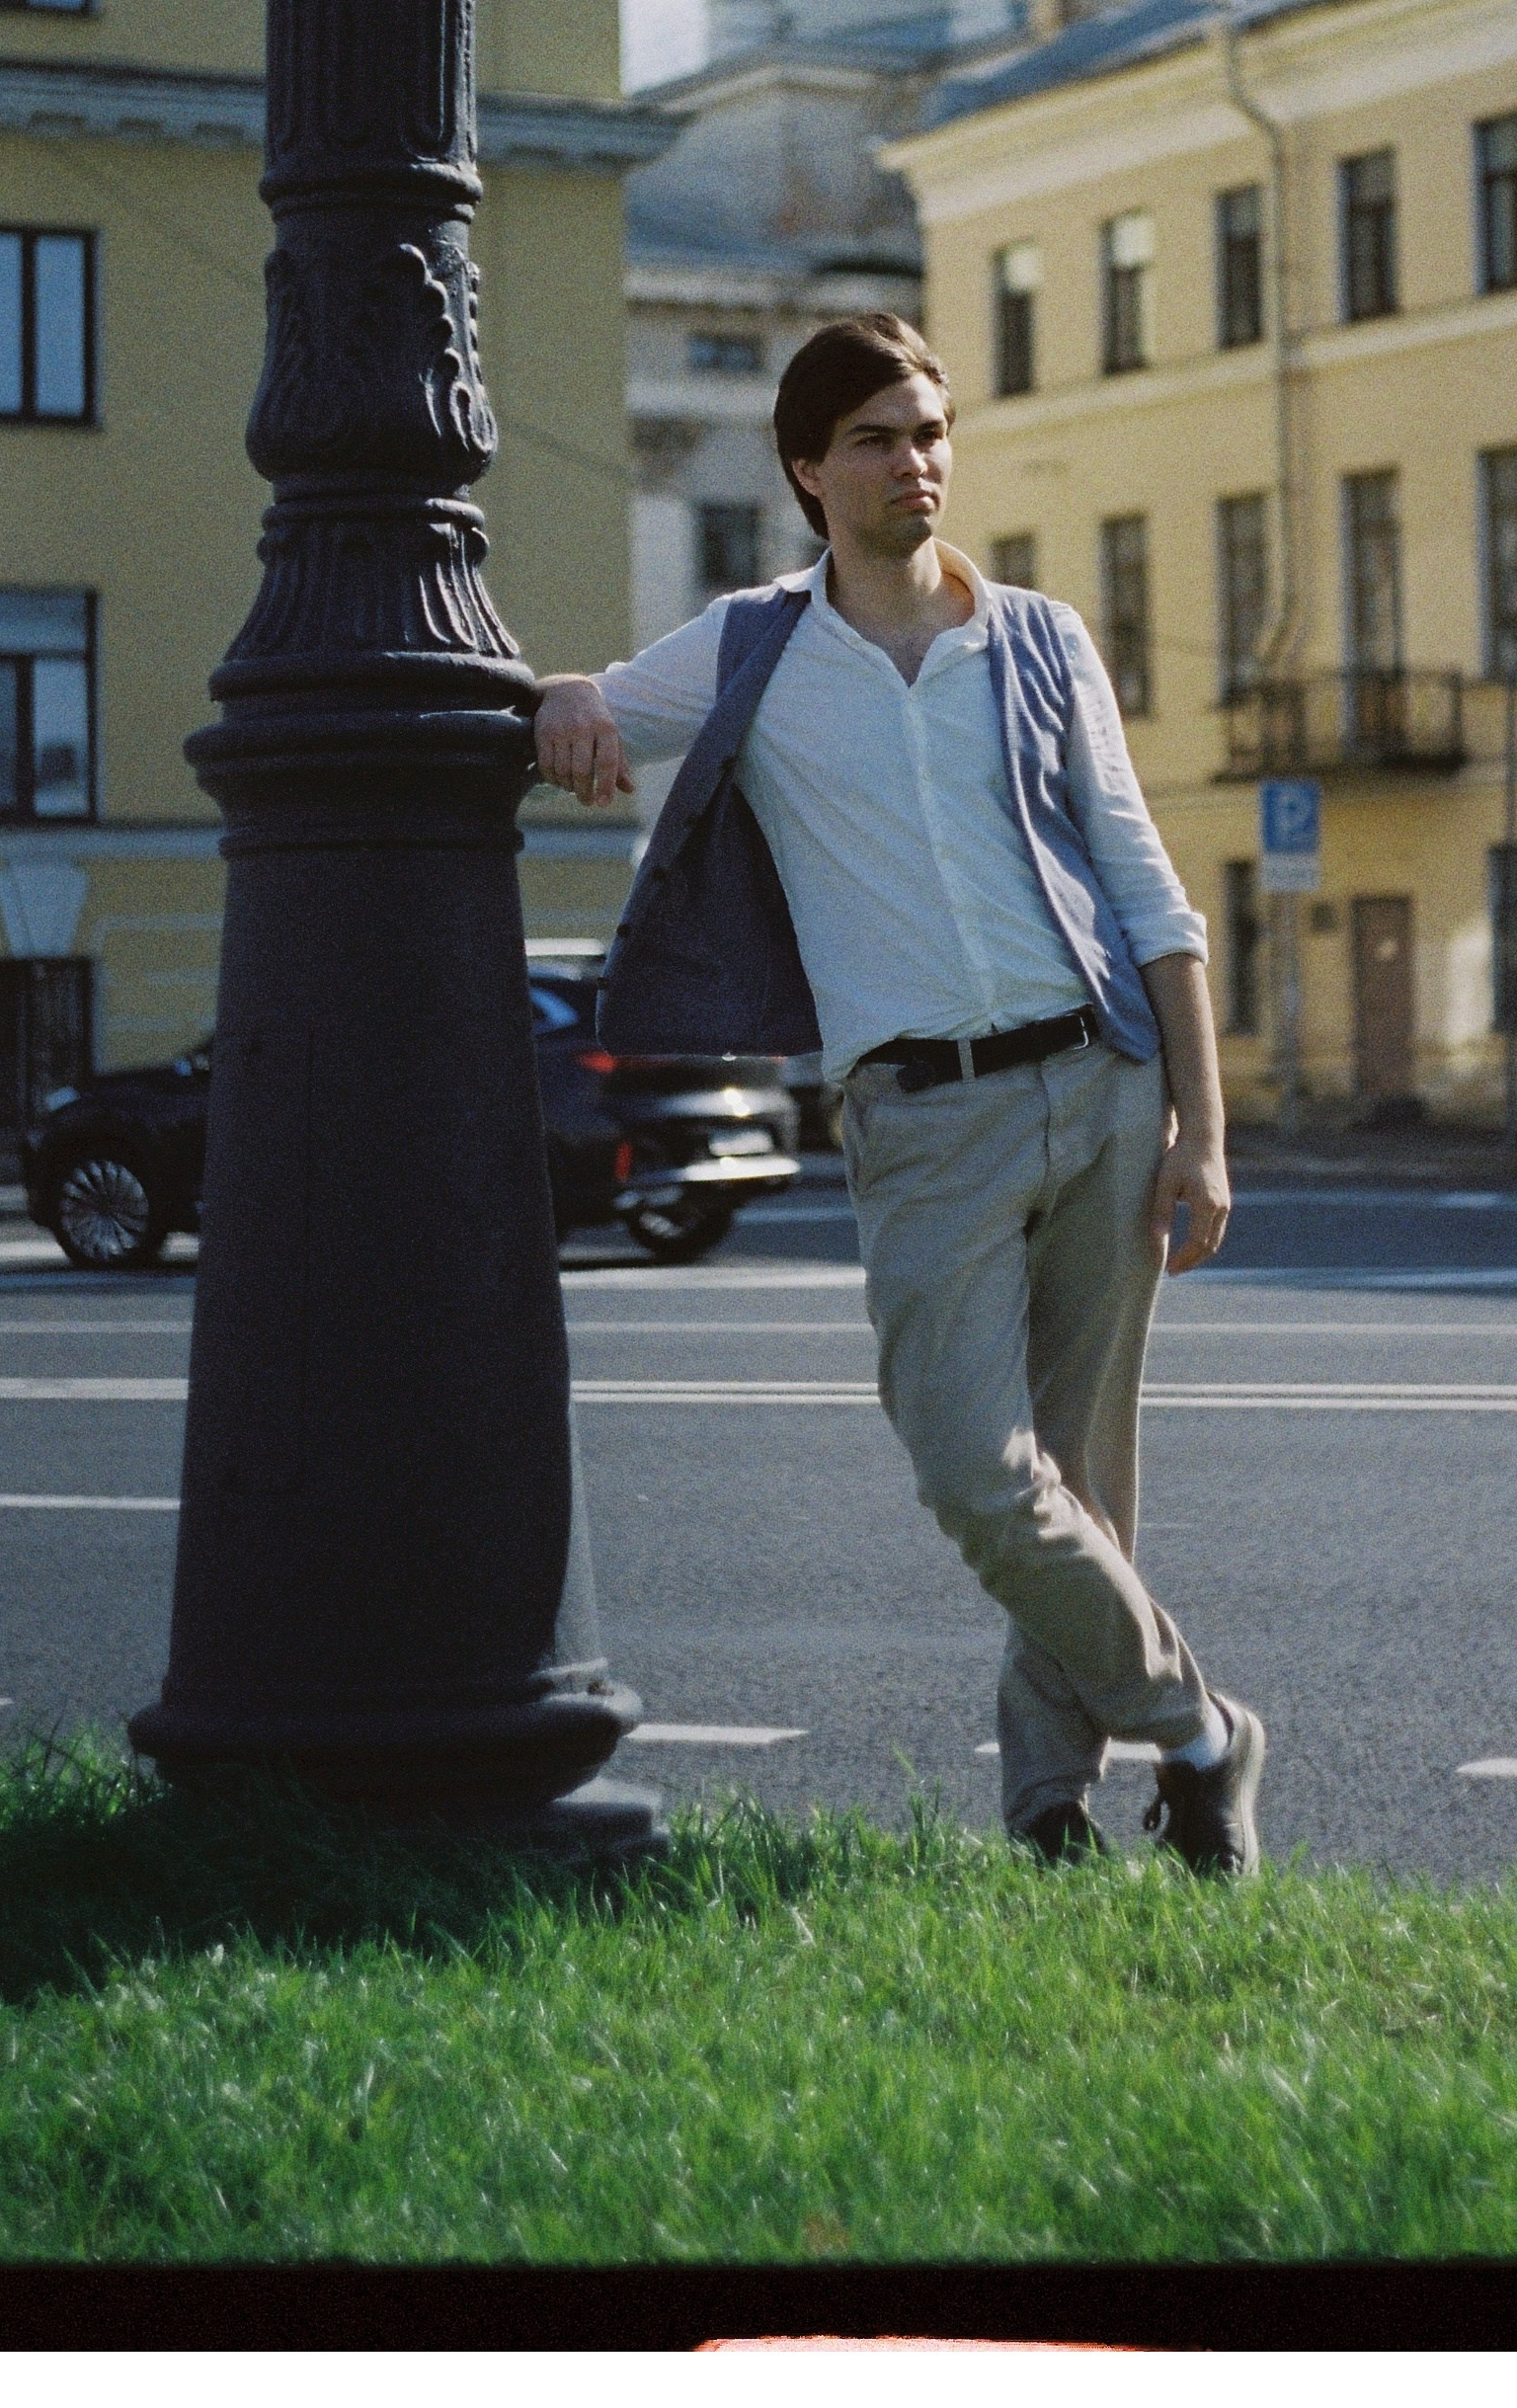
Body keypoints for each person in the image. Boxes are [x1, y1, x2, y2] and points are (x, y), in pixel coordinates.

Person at [532, 312, 1264, 1875]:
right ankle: (1205, 1731)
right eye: (876, 436)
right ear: (809, 469)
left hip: (1104, 1076)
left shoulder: (1041, 639)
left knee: (1086, 1479)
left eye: (929, 430)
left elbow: (1148, 890)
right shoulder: (751, 646)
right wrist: (561, 688)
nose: (914, 460)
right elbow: (588, 712)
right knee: (975, 1473)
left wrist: (1201, 1125)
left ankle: (1047, 1813)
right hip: (922, 1121)